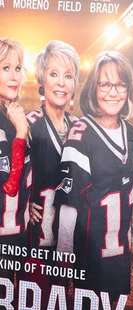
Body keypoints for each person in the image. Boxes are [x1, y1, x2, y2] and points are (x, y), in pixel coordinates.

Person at [54, 50, 133, 299]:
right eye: (105, 84)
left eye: (120, 84)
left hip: (118, 253)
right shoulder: (80, 133)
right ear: (93, 89)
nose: (113, 92)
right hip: (90, 254)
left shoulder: (131, 132)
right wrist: (65, 253)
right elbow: (69, 203)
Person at [28, 40, 80, 250]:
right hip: (37, 237)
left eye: (68, 76)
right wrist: (23, 204)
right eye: (53, 74)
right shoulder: (28, 123)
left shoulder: (80, 127)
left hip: (71, 239)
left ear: (74, 83)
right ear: (42, 80)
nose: (61, 83)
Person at [0, 38, 30, 252]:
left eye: (17, 68)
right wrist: (21, 134)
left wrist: (32, 201)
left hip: (15, 236)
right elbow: (10, 187)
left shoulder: (12, 113)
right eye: (6, 68)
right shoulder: (17, 123)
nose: (14, 76)